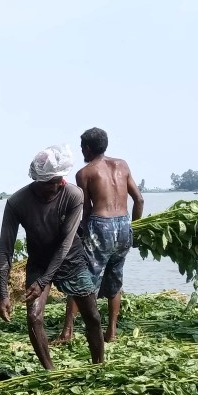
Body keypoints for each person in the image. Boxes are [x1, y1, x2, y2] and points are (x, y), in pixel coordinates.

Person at [0, 145, 104, 370]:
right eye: (51, 182)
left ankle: (99, 367)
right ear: (37, 180)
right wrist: (3, 293)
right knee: (34, 317)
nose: (57, 185)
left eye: (59, 180)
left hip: (71, 259)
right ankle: (50, 372)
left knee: (92, 316)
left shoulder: (73, 195)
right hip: (39, 261)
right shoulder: (17, 202)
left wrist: (44, 281)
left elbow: (65, 244)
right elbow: (5, 250)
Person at [57, 128, 145, 343]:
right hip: (124, 225)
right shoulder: (122, 165)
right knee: (115, 278)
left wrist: (79, 233)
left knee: (82, 277)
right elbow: (139, 200)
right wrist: (134, 227)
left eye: (82, 148)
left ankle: (67, 332)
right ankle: (111, 332)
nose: (82, 152)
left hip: (101, 226)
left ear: (87, 147)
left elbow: (85, 210)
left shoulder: (85, 173)